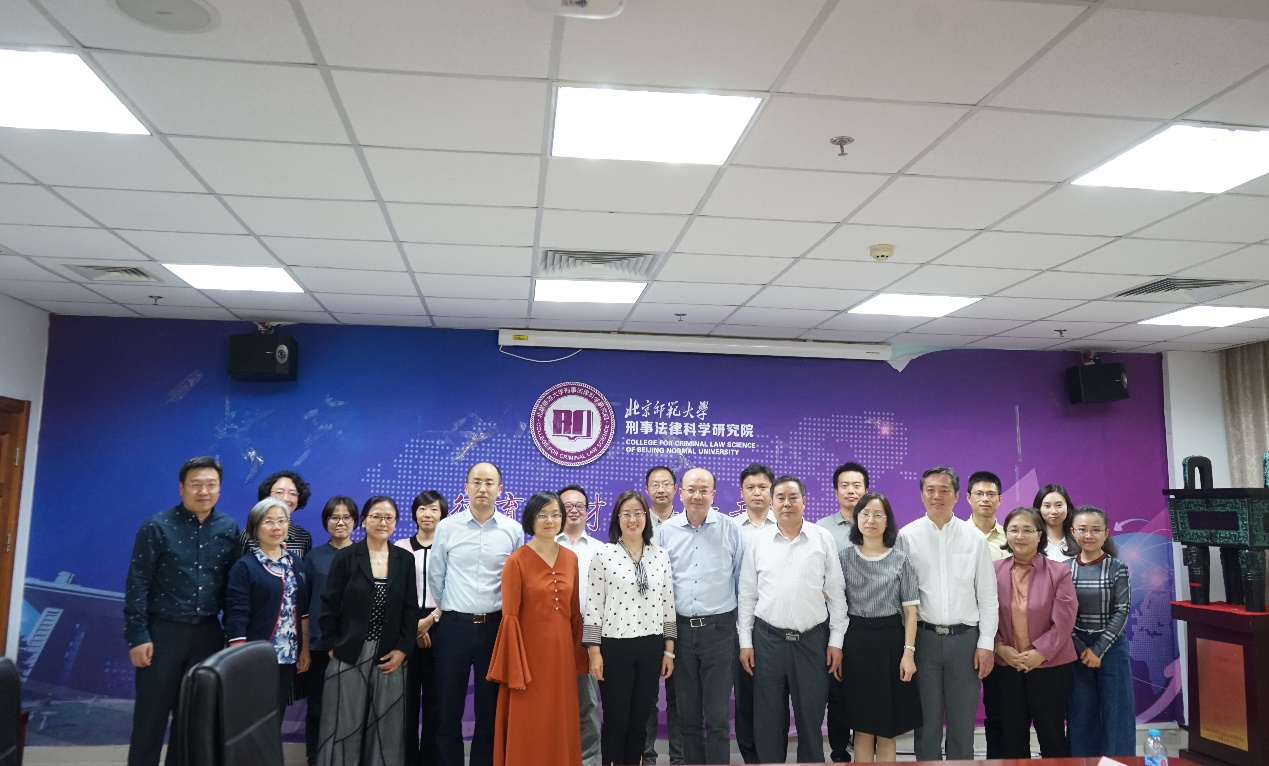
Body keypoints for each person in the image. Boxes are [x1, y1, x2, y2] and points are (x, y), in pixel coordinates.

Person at [125, 456, 240, 766]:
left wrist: (232, 635)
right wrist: (137, 635)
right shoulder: (156, 526)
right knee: (150, 720)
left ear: (219, 488)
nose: (204, 491)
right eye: (196, 484)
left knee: (193, 722)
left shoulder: (229, 528)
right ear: (181, 488)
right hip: (162, 634)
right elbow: (137, 583)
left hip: (207, 634)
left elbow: (232, 588)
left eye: (211, 484)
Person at [738, 475, 847, 765]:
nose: (787, 503)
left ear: (804, 501)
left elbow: (836, 594)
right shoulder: (758, 542)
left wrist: (836, 641)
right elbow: (747, 596)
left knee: (811, 720)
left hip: (811, 642)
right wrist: (745, 642)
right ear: (772, 503)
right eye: (781, 498)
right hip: (768, 641)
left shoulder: (821, 538)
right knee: (769, 722)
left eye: (793, 497)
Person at [896, 466, 998, 762]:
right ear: (921, 495)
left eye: (944, 490)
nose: (937, 496)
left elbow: (987, 595)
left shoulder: (974, 538)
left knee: (962, 724)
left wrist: (986, 644)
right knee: (926, 723)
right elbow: (902, 598)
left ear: (956, 495)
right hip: (924, 640)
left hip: (965, 641)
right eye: (930, 490)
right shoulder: (907, 536)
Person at [428, 463, 524, 766]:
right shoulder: (447, 528)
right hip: (453, 627)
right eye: (477, 482)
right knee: (447, 708)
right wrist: (451, 607)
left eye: (489, 483)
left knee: (489, 709)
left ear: (500, 489)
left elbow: (516, 580)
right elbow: (436, 576)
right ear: (466, 487)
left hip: (494, 629)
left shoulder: (512, 530)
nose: (483, 488)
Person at [316, 495, 419, 766]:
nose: (382, 522)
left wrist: (403, 649)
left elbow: (410, 609)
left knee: (387, 725)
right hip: (349, 651)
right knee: (343, 723)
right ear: (363, 521)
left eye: (389, 518)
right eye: (376, 517)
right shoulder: (346, 557)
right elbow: (329, 604)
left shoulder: (404, 559)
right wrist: (331, 645)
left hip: (389, 654)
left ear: (395, 523)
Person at [488, 491, 589, 766]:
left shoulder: (570, 559)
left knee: (559, 716)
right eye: (542, 514)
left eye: (555, 514)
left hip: (562, 656)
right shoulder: (516, 561)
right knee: (529, 718)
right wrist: (514, 666)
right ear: (530, 519)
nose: (550, 520)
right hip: (527, 657)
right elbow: (510, 618)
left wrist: (579, 656)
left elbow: (573, 613)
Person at [657, 468, 743, 765]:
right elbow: (660, 583)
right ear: (680, 493)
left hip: (719, 631)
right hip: (680, 632)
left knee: (717, 718)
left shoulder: (730, 529)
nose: (697, 495)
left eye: (703, 490)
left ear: (713, 495)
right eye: (691, 489)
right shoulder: (665, 531)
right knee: (687, 717)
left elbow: (740, 579)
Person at [585, 490, 677, 766]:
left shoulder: (660, 555)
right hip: (615, 646)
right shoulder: (603, 554)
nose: (633, 519)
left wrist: (669, 650)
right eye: (626, 513)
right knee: (616, 721)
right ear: (617, 518)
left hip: (651, 646)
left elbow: (668, 603)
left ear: (646, 518)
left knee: (640, 720)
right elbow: (593, 606)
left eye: (638, 513)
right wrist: (594, 652)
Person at [986, 506, 1077, 759]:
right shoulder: (992, 570)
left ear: (1040, 535)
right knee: (1011, 737)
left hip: (1051, 667)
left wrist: (1040, 652)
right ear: (1006, 535)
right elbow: (984, 615)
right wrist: (1000, 648)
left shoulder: (1059, 572)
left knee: (1052, 736)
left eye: (1027, 530)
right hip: (1006, 666)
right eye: (1014, 530)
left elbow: (1065, 621)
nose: (1020, 536)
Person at [839, 492, 920, 763]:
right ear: (856, 519)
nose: (870, 520)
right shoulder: (843, 558)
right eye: (865, 514)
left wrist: (908, 653)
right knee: (862, 728)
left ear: (887, 521)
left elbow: (910, 611)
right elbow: (836, 607)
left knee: (887, 730)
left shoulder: (901, 559)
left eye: (878, 514)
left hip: (891, 643)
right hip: (855, 643)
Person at [225, 498, 311, 720]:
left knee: (275, 715)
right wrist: (239, 655)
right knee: (250, 716)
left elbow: (302, 609)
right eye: (269, 521)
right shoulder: (245, 566)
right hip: (254, 655)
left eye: (282, 521)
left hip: (287, 656)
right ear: (255, 528)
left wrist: (304, 648)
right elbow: (236, 615)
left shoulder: (295, 563)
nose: (276, 527)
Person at [1066, 505, 1135, 757]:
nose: (1089, 535)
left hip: (1111, 648)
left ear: (1106, 533)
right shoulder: (1063, 569)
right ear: (1073, 532)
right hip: (1077, 649)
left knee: (1117, 715)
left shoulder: (1117, 567)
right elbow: (1062, 615)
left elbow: (1122, 611)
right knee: (1080, 713)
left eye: (1096, 530)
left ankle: (1116, 762)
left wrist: (1098, 649)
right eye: (1083, 529)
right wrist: (1081, 647)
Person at [728, 463, 783, 765]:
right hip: (742, 622)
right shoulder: (731, 528)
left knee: (774, 695)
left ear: (772, 492)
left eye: (763, 487)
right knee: (746, 693)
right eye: (751, 487)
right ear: (742, 492)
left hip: (777, 621)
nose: (757, 493)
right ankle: (750, 756)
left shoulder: (786, 525)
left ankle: (773, 755)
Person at [817, 461, 869, 764]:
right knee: (835, 692)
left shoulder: (878, 524)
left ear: (866, 490)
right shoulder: (820, 529)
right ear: (836, 491)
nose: (851, 491)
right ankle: (839, 753)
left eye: (857, 485)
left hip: (868, 623)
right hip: (832, 622)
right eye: (845, 486)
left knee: (864, 690)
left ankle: (864, 749)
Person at [304, 496, 357, 766]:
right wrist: (305, 645)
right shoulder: (314, 558)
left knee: (351, 707)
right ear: (326, 522)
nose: (340, 522)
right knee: (317, 706)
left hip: (354, 644)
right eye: (334, 517)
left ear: (355, 521)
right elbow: (304, 605)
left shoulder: (365, 555)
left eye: (346, 517)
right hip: (319, 644)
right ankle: (315, 757)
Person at [397, 490, 448, 766]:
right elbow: (395, 592)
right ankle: (406, 759)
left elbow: (454, 588)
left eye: (434, 509)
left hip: (441, 622)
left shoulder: (449, 547)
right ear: (414, 513)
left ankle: (430, 759)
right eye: (422, 509)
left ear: (442, 515)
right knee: (405, 699)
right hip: (406, 624)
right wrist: (414, 627)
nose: (427, 514)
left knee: (435, 699)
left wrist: (431, 620)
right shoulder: (400, 546)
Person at [558, 485, 603, 766]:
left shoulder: (601, 550)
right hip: (551, 633)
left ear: (588, 512)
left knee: (586, 702)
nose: (574, 511)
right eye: (567, 506)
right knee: (551, 700)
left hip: (588, 633)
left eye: (580, 506)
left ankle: (587, 760)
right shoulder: (544, 546)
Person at [964, 470, 1008, 758]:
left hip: (1001, 633)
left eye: (990, 494)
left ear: (1000, 499)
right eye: (978, 494)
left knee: (999, 707)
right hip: (962, 630)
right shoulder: (956, 535)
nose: (984, 499)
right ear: (968, 498)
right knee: (959, 709)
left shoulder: (1010, 538)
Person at [641, 465, 683, 766]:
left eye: (666, 483)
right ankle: (647, 757)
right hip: (644, 619)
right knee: (645, 697)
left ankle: (679, 758)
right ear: (646, 490)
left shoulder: (687, 523)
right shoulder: (637, 523)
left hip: (681, 618)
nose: (661, 489)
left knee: (679, 695)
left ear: (676, 489)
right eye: (655, 484)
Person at [242, 470, 314, 558]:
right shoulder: (249, 533)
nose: (286, 498)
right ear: (267, 494)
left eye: (293, 493)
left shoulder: (304, 537)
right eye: (279, 492)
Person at [1035, 483, 1075, 562]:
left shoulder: (1079, 540)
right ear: (1039, 509)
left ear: (1068, 508)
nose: (1053, 511)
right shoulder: (1031, 542)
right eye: (1047, 506)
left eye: (1059, 505)